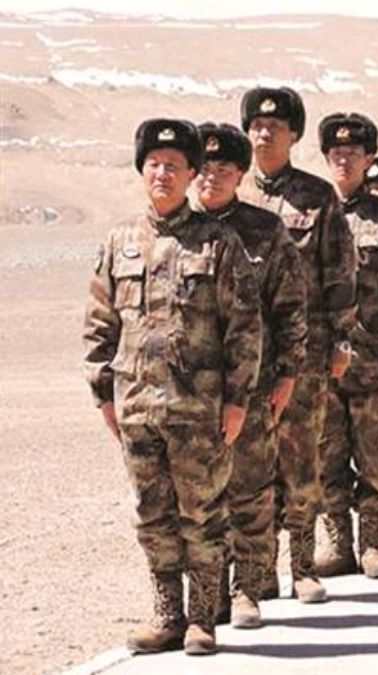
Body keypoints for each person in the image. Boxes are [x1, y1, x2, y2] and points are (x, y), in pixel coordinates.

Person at [84, 118, 262, 655]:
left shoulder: (218, 242)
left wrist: (237, 401)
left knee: (202, 515)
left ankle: (203, 618)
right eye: (154, 165)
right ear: (143, 171)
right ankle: (167, 614)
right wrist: (102, 394)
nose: (162, 174)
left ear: (191, 175)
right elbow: (100, 322)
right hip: (137, 408)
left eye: (174, 167)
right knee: (152, 516)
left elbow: (245, 328)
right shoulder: (119, 242)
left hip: (200, 410)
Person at [238, 86, 357, 603]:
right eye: (257, 125)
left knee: (301, 457)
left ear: (293, 135)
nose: (265, 133)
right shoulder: (228, 194)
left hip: (305, 351)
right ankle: (258, 571)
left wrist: (342, 339)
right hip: (246, 355)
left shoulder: (316, 197)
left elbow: (340, 273)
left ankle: (303, 566)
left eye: (276, 126)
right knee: (250, 466)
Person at [193, 122, 306, 629]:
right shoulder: (180, 229)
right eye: (205, 166)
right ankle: (207, 598)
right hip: (189, 392)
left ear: (240, 174)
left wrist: (286, 376)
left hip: (254, 385)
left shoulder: (263, 230)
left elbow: (290, 309)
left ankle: (248, 589)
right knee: (199, 500)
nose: (211, 176)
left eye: (224, 168)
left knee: (251, 491)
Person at [314, 113, 378, 579]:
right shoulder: (314, 210)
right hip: (320, 358)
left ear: (368, 159)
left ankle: (374, 541)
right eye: (336, 153)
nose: (343, 160)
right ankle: (338, 541)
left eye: (353, 154)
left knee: (373, 450)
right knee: (326, 451)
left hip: (372, 355)